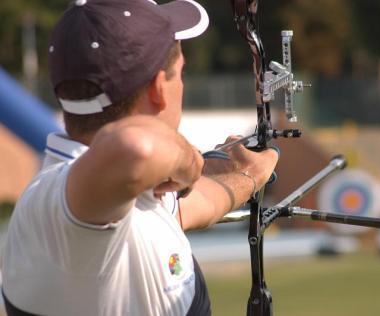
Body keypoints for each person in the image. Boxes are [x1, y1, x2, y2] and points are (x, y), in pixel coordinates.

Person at [1, 0, 279, 315]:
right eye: (180, 73)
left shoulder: (125, 192)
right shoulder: (60, 208)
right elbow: (135, 148)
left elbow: (201, 201)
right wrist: (188, 159)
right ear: (159, 88)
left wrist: (248, 174)